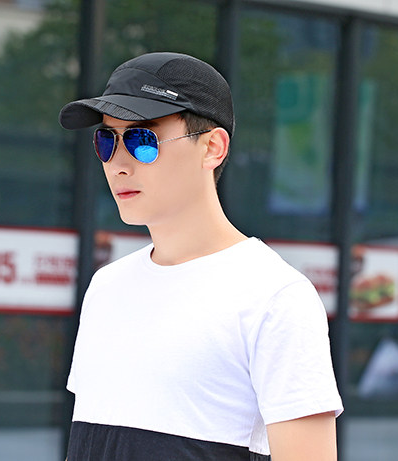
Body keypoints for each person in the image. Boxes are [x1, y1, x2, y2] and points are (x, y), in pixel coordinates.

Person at [58, 51, 343, 461]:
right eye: (106, 140)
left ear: (212, 148)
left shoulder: (275, 298)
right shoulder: (106, 286)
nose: (117, 164)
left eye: (142, 140)